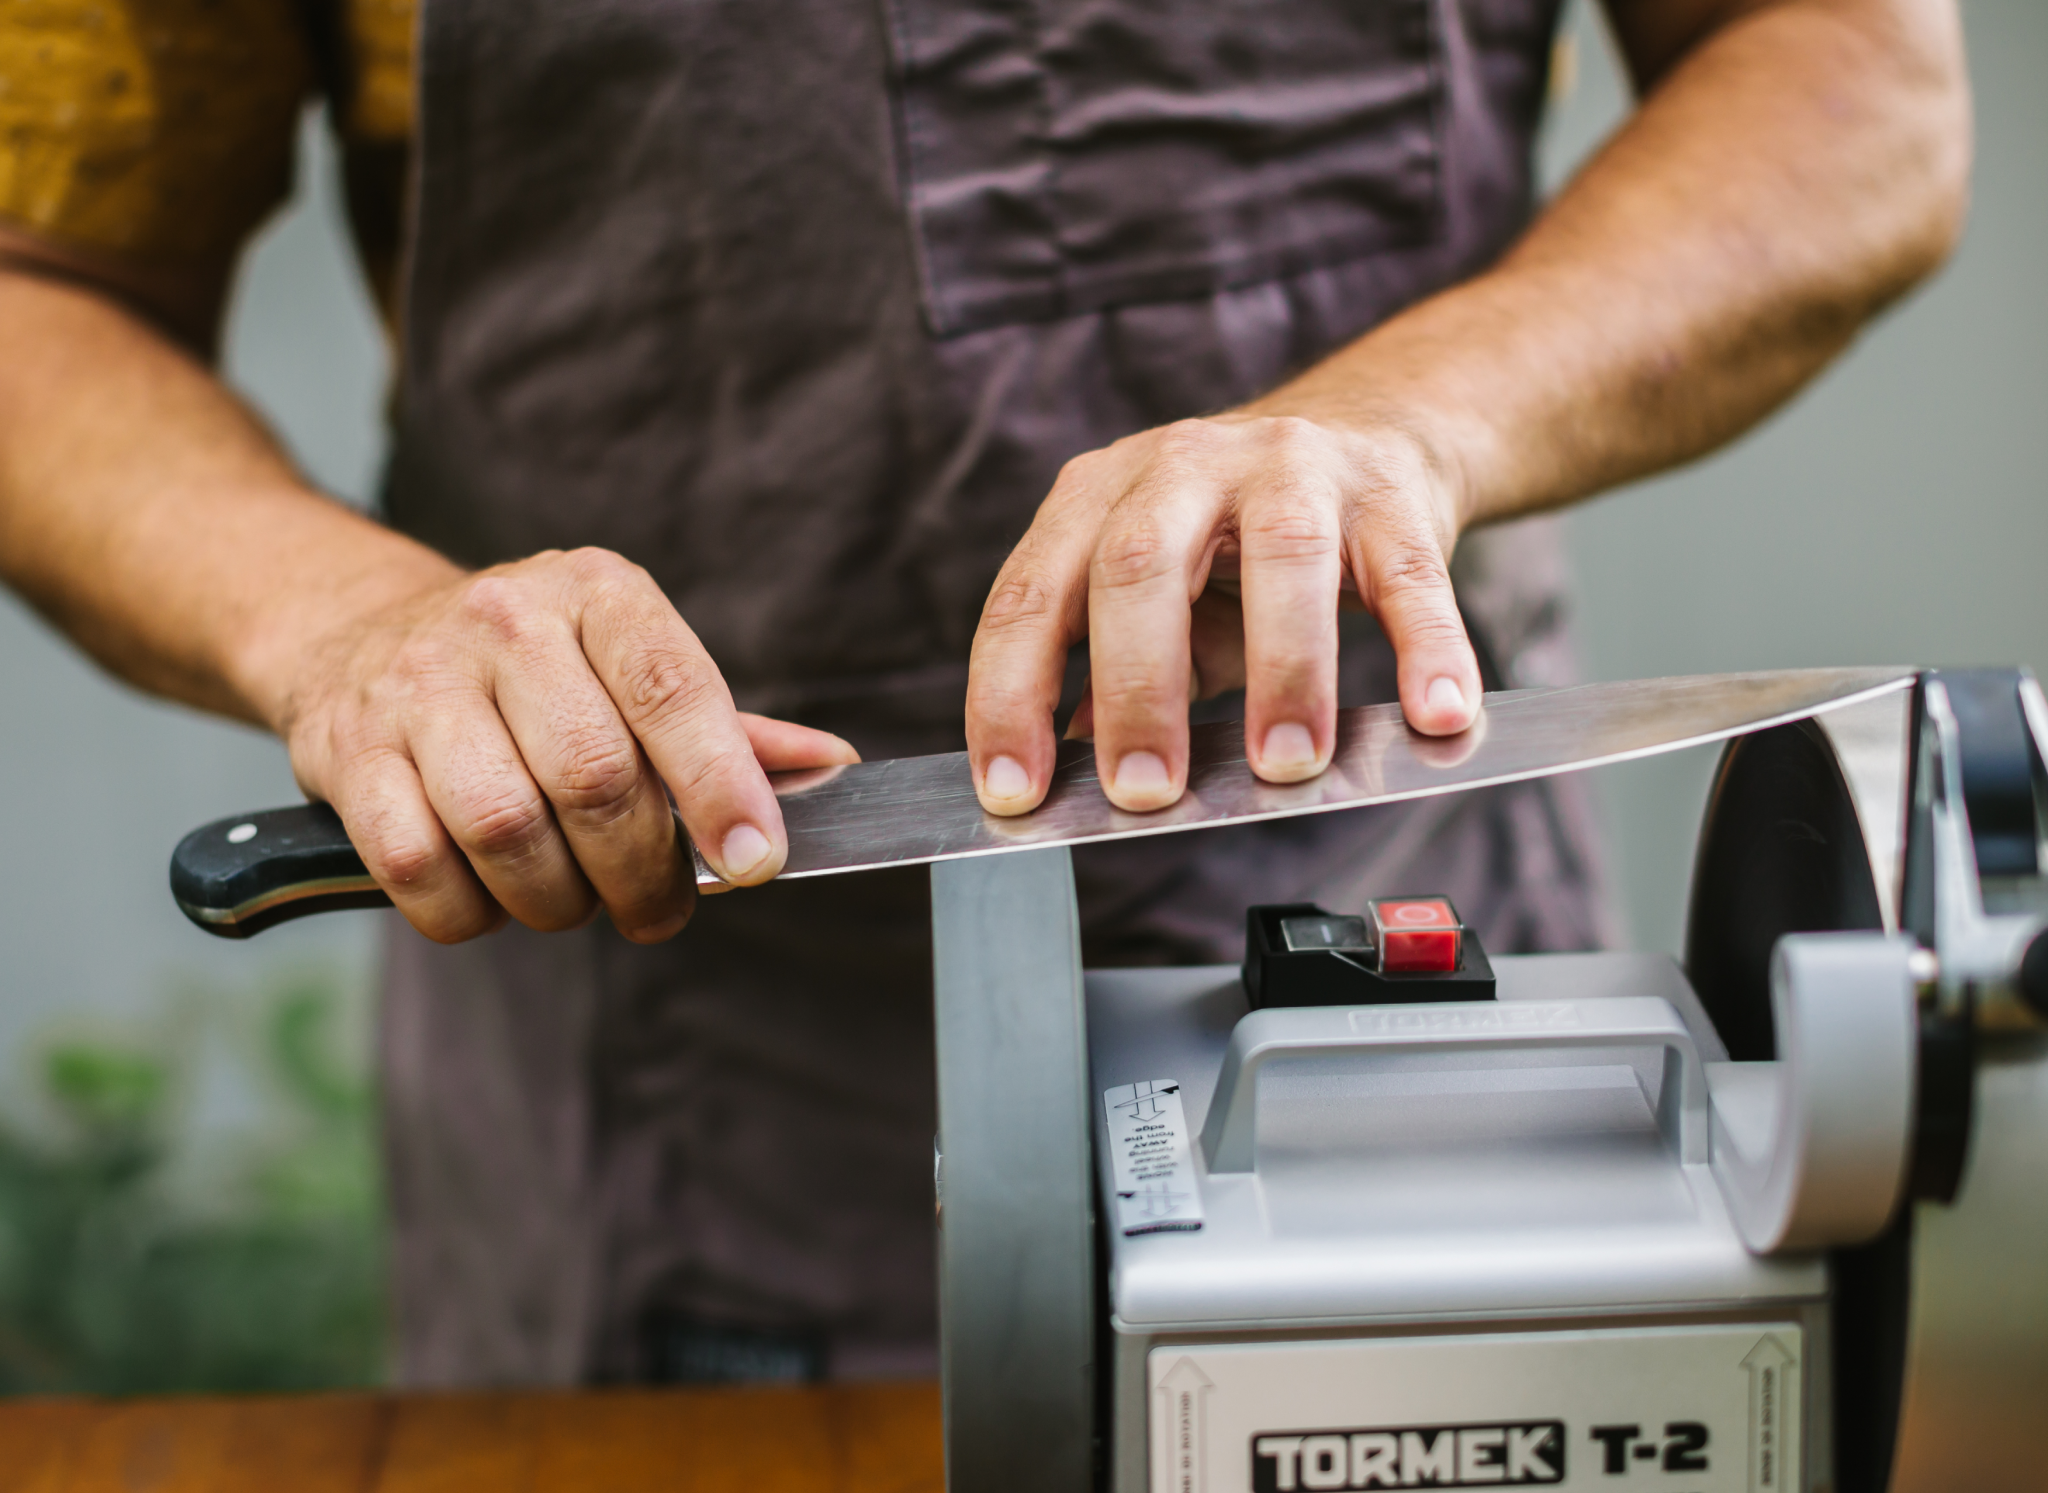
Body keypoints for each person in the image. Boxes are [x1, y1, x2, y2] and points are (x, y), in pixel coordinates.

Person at [0, 0, 1967, 1385]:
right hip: (704, 1124)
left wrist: (1411, 426)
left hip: (1432, 1011)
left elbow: (1854, 75)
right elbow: (42, 292)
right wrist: (348, 623)